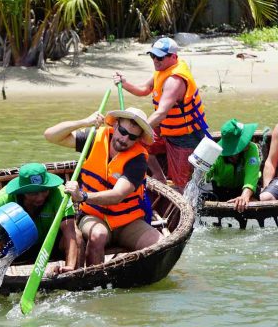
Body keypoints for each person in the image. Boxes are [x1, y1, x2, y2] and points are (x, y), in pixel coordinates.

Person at [44, 107, 163, 267]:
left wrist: (83, 197)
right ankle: (94, 281)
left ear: (138, 139)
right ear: (115, 125)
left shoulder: (138, 159)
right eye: (122, 131)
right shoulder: (94, 138)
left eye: (132, 137)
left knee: (160, 244)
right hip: (93, 215)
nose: (124, 139)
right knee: (98, 235)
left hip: (127, 222)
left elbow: (118, 195)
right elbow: (50, 135)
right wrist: (85, 122)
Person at [113, 37, 209, 193]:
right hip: (165, 129)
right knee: (140, 143)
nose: (155, 61)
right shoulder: (161, 70)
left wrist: (137, 130)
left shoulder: (174, 80)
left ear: (173, 57)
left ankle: (184, 209)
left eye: (159, 57)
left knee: (182, 184)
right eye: (152, 56)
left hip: (184, 135)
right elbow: (144, 89)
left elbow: (161, 113)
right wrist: (125, 84)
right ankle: (158, 175)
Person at [0, 163, 82, 274]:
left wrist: (70, 266)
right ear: (22, 192)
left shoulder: (60, 194)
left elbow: (69, 232)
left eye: (44, 191)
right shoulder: (5, 197)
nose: (40, 197)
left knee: (77, 237)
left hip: (48, 246)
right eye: (34, 193)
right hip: (14, 246)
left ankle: (75, 277)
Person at [205, 119, 261, 212]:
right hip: (221, 189)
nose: (249, 138)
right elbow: (204, 176)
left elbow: (252, 174)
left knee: (251, 202)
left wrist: (245, 196)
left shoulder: (252, 148)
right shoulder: (216, 154)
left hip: (245, 188)